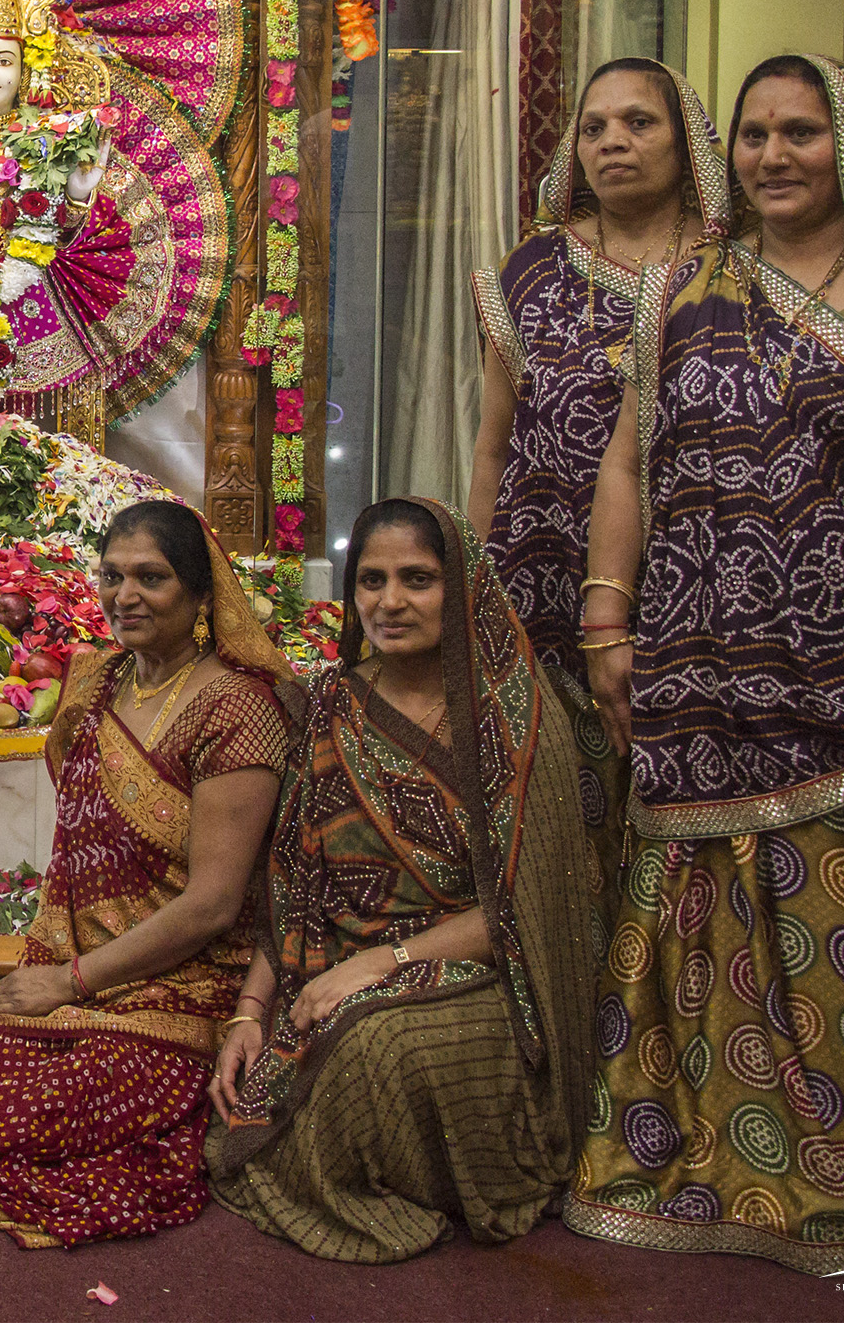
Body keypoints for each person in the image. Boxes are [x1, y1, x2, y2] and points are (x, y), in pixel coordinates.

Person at [565, 56, 844, 1272]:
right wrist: (607, 617)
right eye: (757, 133)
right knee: (689, 920)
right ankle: (689, 1152)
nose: (772, 154)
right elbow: (626, 458)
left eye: (801, 133)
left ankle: (837, 1166)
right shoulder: (684, 287)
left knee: (840, 932)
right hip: (693, 669)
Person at [207, 497, 600, 1262]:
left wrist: (380, 964)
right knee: (278, 1064)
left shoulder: (519, 716)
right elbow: (294, 882)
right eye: (372, 580)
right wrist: (249, 1011)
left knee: (372, 1048)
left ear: (464, 588)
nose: (390, 601)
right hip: (329, 974)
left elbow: (532, 910)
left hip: (485, 976)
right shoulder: (330, 703)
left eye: (417, 579)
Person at [0, 498, 297, 1247]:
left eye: (152, 577)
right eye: (113, 575)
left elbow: (215, 905)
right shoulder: (96, 681)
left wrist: (70, 982)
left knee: (54, 1100)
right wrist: (62, 966)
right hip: (92, 961)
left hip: (194, 977)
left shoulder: (239, 708)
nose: (125, 595)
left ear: (201, 597)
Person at [469, 57, 728, 685]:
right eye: (594, 128)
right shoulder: (532, 268)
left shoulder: (732, 269)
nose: (614, 140)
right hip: (544, 560)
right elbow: (495, 444)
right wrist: (470, 582)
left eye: (639, 122)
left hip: (698, 565)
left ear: (685, 141)